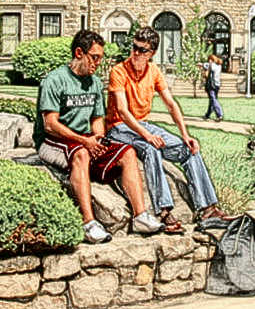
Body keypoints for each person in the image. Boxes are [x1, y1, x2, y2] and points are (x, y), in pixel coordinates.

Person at [34, 29, 164, 243]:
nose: (98, 63)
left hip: (84, 140)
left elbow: (97, 120)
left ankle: (140, 216)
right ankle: (89, 223)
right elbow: (50, 124)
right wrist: (85, 141)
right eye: (94, 58)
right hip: (52, 142)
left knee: (127, 152)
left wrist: (98, 139)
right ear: (79, 53)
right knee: (82, 154)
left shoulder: (94, 83)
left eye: (100, 58)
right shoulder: (54, 80)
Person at [105, 26, 232, 234]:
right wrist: (148, 136)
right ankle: (163, 211)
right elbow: (122, 111)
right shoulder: (118, 71)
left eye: (142, 50)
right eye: (134, 47)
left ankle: (207, 209)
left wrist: (185, 135)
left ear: (152, 53)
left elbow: (171, 105)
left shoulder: (154, 71)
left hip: (142, 124)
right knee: (151, 148)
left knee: (189, 150)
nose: (136, 53)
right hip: (118, 127)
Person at [201, 54, 224, 121]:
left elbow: (205, 65)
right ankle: (207, 115)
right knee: (212, 100)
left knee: (213, 100)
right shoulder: (219, 66)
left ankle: (219, 114)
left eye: (209, 59)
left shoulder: (212, 65)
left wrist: (201, 64)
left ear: (211, 59)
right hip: (217, 85)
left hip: (211, 85)